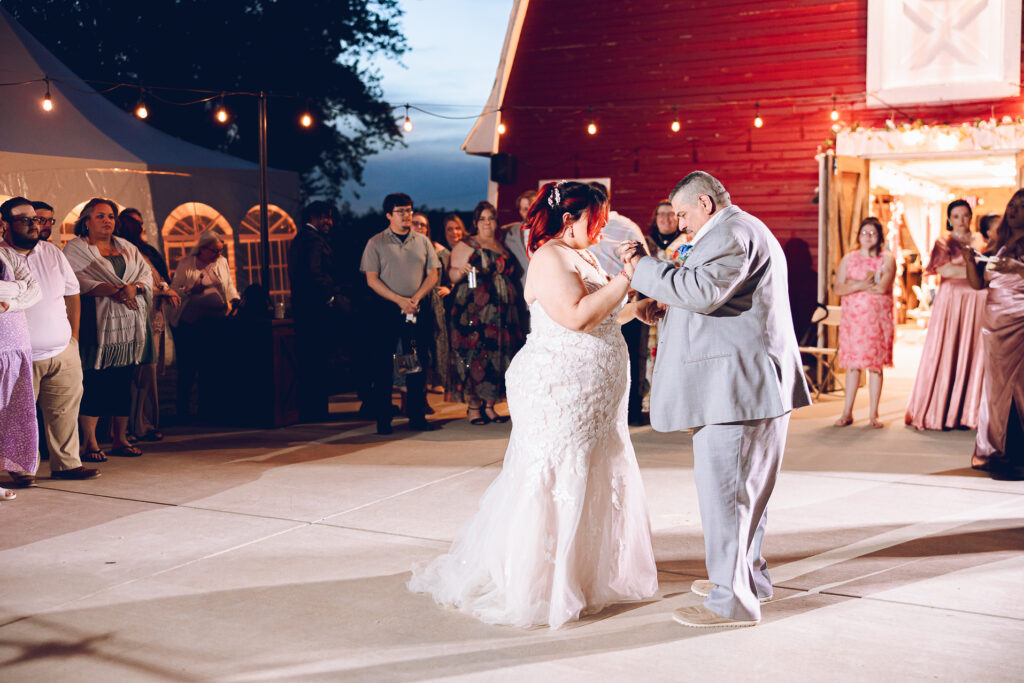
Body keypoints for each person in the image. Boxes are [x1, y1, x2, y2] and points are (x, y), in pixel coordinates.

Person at [409, 181, 658, 628]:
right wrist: (627, 277)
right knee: (556, 478)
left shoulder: (582, 254)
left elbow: (598, 316)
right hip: (560, 391)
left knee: (592, 473)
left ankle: (582, 574)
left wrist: (632, 309)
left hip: (593, 396)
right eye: (596, 218)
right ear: (569, 220)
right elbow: (577, 317)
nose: (603, 226)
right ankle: (543, 582)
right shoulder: (548, 258)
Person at [621, 170, 811, 628]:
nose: (680, 223)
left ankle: (732, 601)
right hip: (746, 385)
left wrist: (641, 266)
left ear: (705, 203)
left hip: (735, 389)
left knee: (726, 498)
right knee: (746, 496)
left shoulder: (730, 233)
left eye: (683, 213)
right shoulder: (738, 230)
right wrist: (666, 308)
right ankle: (748, 579)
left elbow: (704, 293)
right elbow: (716, 297)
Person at [1, 197, 99, 485]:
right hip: (20, 353)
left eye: (38, 219)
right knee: (18, 415)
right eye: (25, 220)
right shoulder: (3, 257)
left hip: (62, 349)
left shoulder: (52, 252)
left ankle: (67, 464)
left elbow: (72, 292)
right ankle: (22, 470)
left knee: (65, 410)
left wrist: (74, 338)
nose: (35, 225)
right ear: (5, 224)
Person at [63, 198, 152, 460]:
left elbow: (145, 274)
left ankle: (119, 438)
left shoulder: (127, 247)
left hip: (129, 326)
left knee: (123, 381)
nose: (107, 221)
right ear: (86, 221)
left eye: (111, 216)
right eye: (100, 216)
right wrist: (114, 290)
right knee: (94, 381)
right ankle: (90, 442)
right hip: (94, 324)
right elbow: (75, 280)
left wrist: (134, 288)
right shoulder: (77, 248)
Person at [905, 201, 988, 431]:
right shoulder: (944, 242)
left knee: (974, 352)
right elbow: (944, 270)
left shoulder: (980, 240)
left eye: (965, 215)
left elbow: (988, 268)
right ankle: (942, 409)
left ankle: (969, 411)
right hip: (951, 300)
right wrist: (975, 270)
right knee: (948, 349)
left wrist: (974, 272)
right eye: (956, 216)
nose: (961, 220)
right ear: (950, 219)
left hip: (977, 300)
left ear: (971, 216)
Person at [360, 193, 439, 435]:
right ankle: (384, 419)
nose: (406, 215)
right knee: (383, 364)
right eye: (400, 211)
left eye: (409, 210)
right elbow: (371, 279)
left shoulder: (422, 241)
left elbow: (433, 274)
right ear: (388, 215)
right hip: (386, 310)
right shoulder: (376, 243)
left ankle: (416, 416)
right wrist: (399, 301)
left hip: (416, 308)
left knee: (417, 364)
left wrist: (414, 299)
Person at [965, 190, 1024, 479]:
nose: (1014, 210)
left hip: (1021, 320)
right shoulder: (996, 244)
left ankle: (1017, 453)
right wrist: (968, 260)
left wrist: (1018, 268)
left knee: (1020, 388)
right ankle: (997, 450)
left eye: (1022, 206)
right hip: (994, 325)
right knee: (997, 390)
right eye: (1012, 205)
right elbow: (978, 285)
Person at [448, 201, 523, 425]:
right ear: (476, 222)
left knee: (498, 356)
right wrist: (459, 272)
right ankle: (474, 407)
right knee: (475, 356)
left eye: (491, 218)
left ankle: (490, 405)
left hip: (502, 313)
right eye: (483, 219)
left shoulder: (501, 244)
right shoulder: (467, 245)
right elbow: (451, 276)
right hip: (474, 311)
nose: (487, 222)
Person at [116, 210, 179, 441]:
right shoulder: (122, 250)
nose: (139, 227)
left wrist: (164, 288)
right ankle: (133, 425)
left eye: (140, 223)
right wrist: (163, 289)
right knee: (137, 373)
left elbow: (158, 276)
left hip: (153, 317)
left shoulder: (146, 251)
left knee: (148, 373)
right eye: (133, 223)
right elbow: (143, 281)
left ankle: (144, 421)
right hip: (134, 317)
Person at [168, 229, 239, 422]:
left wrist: (235, 299)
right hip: (190, 325)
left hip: (215, 323)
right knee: (188, 366)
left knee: (212, 366)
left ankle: (208, 408)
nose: (219, 255)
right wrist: (191, 290)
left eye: (221, 251)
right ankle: (183, 409)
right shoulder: (187, 264)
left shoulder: (221, 263)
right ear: (202, 249)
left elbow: (229, 285)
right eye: (215, 251)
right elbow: (174, 290)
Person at [833, 217, 896, 428]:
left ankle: (873, 415)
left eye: (872, 234)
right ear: (858, 235)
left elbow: (882, 288)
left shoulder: (886, 259)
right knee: (852, 365)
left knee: (875, 367)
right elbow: (838, 288)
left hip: (876, 320)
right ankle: (847, 412)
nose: (867, 237)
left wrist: (852, 284)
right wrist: (861, 283)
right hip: (853, 320)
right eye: (864, 233)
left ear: (879, 237)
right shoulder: (848, 259)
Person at [0, 211, 43, 497]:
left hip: (15, 346)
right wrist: (15, 289)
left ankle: (14, 468)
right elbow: (20, 287)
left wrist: (8, 303)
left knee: (12, 413)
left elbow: (35, 290)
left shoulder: (9, 255)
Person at [289, 200, 342, 421]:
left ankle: (309, 410)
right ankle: (318, 411)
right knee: (318, 360)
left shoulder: (299, 239)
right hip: (316, 310)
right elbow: (314, 273)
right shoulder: (314, 240)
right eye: (326, 217)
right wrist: (330, 296)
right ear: (314, 217)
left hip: (302, 309)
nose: (330, 222)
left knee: (308, 361)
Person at [411, 212, 451, 396]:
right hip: (411, 299)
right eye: (416, 224)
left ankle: (437, 381)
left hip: (433, 300)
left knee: (437, 341)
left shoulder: (438, 250)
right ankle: (412, 386)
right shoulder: (406, 247)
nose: (420, 227)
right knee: (412, 344)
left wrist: (449, 287)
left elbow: (453, 272)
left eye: (423, 225)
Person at [501, 189, 536, 292]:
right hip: (523, 292)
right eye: (525, 209)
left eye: (533, 207)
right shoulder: (509, 233)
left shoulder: (555, 232)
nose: (530, 212)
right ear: (520, 211)